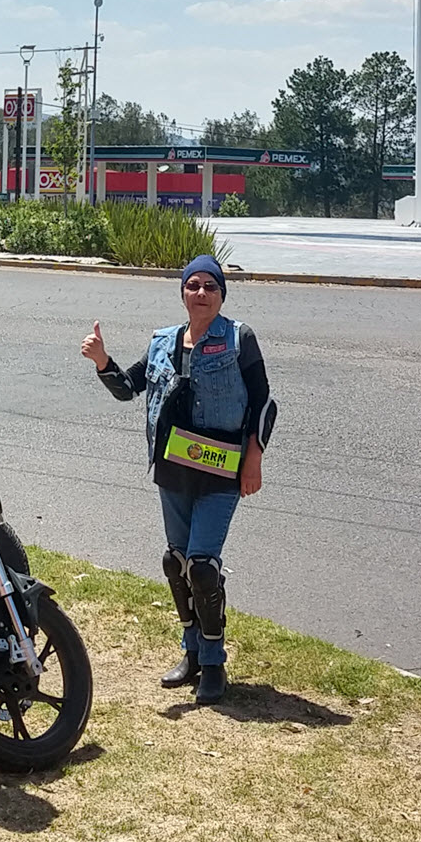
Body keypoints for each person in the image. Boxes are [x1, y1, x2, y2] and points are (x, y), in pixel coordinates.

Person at [81, 254, 271, 706]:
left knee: (203, 567)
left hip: (221, 468)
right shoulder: (164, 341)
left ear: (222, 293)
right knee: (177, 562)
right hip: (173, 468)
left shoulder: (239, 338)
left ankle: (214, 661)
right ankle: (190, 651)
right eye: (193, 286)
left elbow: (264, 403)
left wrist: (254, 459)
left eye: (210, 286)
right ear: (182, 293)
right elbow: (129, 388)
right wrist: (102, 360)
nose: (201, 294)